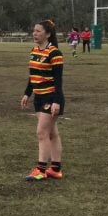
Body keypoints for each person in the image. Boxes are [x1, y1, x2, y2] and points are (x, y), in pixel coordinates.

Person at [20, 19, 65, 181]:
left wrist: (57, 101)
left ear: (48, 34)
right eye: (34, 31)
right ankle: (56, 169)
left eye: (38, 31)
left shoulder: (55, 53)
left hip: (51, 97)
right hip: (38, 97)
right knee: (52, 133)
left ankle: (40, 169)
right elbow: (33, 75)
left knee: (41, 132)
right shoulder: (34, 50)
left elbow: (58, 81)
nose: (34, 33)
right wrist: (27, 93)